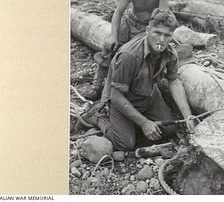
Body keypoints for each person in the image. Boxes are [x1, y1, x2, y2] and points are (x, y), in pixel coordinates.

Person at [82, 9, 193, 150]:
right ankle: (99, 115)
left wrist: (188, 116)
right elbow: (116, 96)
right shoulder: (129, 56)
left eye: (167, 35)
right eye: (157, 33)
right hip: (122, 100)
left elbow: (174, 81)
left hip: (148, 96)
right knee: (125, 143)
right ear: (148, 30)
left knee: (170, 129)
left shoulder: (170, 53)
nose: (161, 40)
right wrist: (144, 123)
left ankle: (133, 123)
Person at [85, 0, 169, 101]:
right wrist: (113, 35)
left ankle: (131, 89)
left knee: (132, 54)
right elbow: (118, 12)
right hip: (130, 23)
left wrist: (152, 35)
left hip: (147, 29)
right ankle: (97, 86)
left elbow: (162, 18)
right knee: (108, 47)